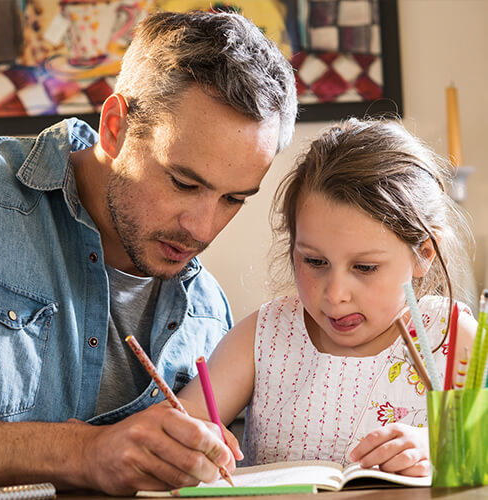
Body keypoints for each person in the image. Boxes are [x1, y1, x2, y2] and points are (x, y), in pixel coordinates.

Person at [0, 10, 297, 495]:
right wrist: (84, 452)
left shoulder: (210, 318)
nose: (203, 228)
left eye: (234, 198)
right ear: (115, 127)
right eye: (184, 182)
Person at [176, 117, 478, 477]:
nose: (335, 296)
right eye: (315, 261)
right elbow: (177, 428)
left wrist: (444, 448)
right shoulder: (264, 335)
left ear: (423, 254)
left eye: (365, 267)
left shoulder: (454, 336)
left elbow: (479, 453)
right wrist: (190, 443)